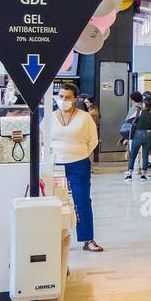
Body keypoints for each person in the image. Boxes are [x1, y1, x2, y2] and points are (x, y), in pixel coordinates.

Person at [52, 83, 103, 252]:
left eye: (67, 97)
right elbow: (42, 139)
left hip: (78, 163)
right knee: (55, 203)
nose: (63, 100)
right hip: (55, 165)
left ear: (75, 99)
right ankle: (55, 237)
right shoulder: (50, 117)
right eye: (60, 96)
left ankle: (87, 239)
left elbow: (93, 141)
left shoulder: (84, 117)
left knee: (82, 202)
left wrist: (80, 155)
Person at [125, 91, 151, 181]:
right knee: (145, 154)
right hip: (149, 134)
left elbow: (129, 120)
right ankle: (143, 175)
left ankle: (129, 174)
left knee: (133, 154)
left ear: (145, 104)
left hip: (138, 134)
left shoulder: (139, 111)